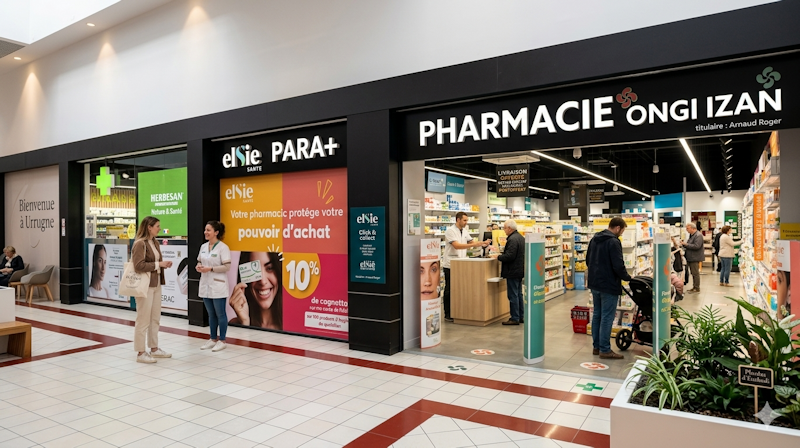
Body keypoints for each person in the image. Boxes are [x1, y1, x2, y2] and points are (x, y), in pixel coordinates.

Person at [586, 217, 631, 360]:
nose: (622, 234)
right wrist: (627, 277)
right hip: (609, 285)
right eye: (622, 231)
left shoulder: (595, 239)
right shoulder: (613, 241)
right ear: (617, 228)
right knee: (607, 317)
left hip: (595, 283)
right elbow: (618, 265)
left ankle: (596, 347)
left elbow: (588, 260)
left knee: (597, 315)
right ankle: (605, 350)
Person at [131, 216, 172, 364]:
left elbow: (154, 263)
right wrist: (158, 264)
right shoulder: (139, 244)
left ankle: (154, 348)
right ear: (149, 227)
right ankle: (141, 352)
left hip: (156, 284)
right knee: (143, 319)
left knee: (155, 318)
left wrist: (162, 265)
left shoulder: (154, 242)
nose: (159, 228)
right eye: (157, 226)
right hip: (145, 286)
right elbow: (138, 266)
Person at [442, 212, 490, 322]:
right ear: (458, 220)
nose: (466, 222)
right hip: (450, 264)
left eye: (467, 220)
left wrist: (482, 243)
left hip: (461, 264)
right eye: (464, 220)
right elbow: (457, 246)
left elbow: (472, 241)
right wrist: (474, 245)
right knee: (449, 289)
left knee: (459, 289)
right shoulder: (450, 231)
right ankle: (447, 313)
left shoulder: (464, 230)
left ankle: (457, 311)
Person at [196, 221, 232, 352]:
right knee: (211, 314)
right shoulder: (204, 246)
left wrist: (210, 268)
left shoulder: (223, 247)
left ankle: (222, 340)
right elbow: (200, 260)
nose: (205, 232)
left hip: (218, 284)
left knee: (220, 313)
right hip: (205, 283)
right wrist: (198, 266)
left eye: (208, 230)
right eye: (205, 230)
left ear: (216, 232)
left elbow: (227, 266)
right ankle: (212, 339)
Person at [229, 252, 282, 329]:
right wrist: (244, 323)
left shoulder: (292, 325)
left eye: (269, 268)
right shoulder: (236, 324)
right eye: (255, 269)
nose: (263, 281)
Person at [490, 220, 525, 325]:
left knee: (513, 295)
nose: (504, 230)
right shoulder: (520, 237)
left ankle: (514, 318)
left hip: (513, 271)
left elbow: (510, 256)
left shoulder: (513, 239)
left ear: (510, 228)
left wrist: (498, 256)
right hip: (519, 270)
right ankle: (520, 316)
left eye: (504, 228)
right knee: (518, 294)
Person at [681, 223, 704, 293]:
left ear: (692, 228)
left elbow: (697, 246)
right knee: (693, 273)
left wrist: (686, 244)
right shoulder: (692, 235)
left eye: (688, 228)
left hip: (695, 257)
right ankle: (694, 287)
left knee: (695, 273)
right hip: (691, 256)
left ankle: (697, 288)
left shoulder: (698, 235)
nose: (686, 230)